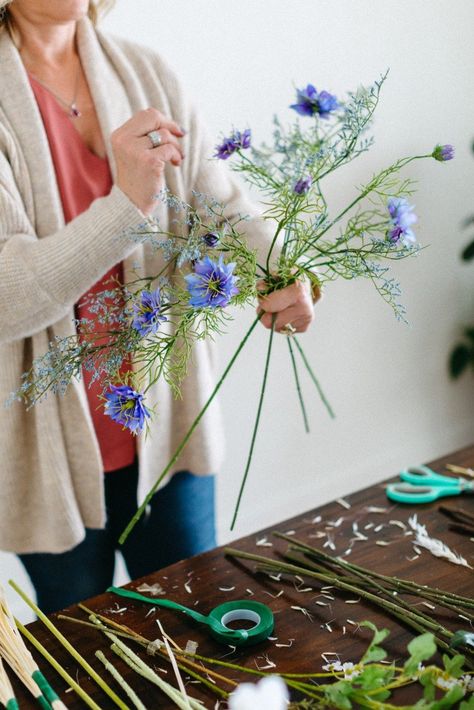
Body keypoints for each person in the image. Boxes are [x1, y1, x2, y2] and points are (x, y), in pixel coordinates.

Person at [0, 0, 316, 613]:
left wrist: (281, 266)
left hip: (169, 423)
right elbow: (8, 293)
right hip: (50, 456)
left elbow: (222, 200)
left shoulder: (148, 71)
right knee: (92, 661)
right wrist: (127, 204)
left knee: (205, 629)